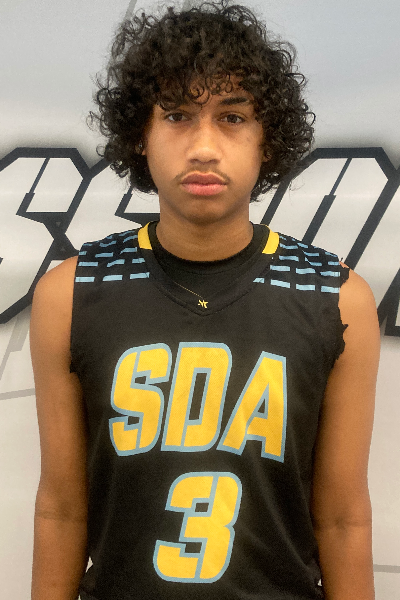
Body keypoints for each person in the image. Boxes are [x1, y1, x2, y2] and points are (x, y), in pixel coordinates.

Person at [30, 1, 380, 599]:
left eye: (233, 117)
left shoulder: (336, 297)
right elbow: (62, 510)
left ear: (268, 139)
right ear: (140, 135)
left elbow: (343, 520)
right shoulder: (71, 292)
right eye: (177, 115)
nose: (204, 147)